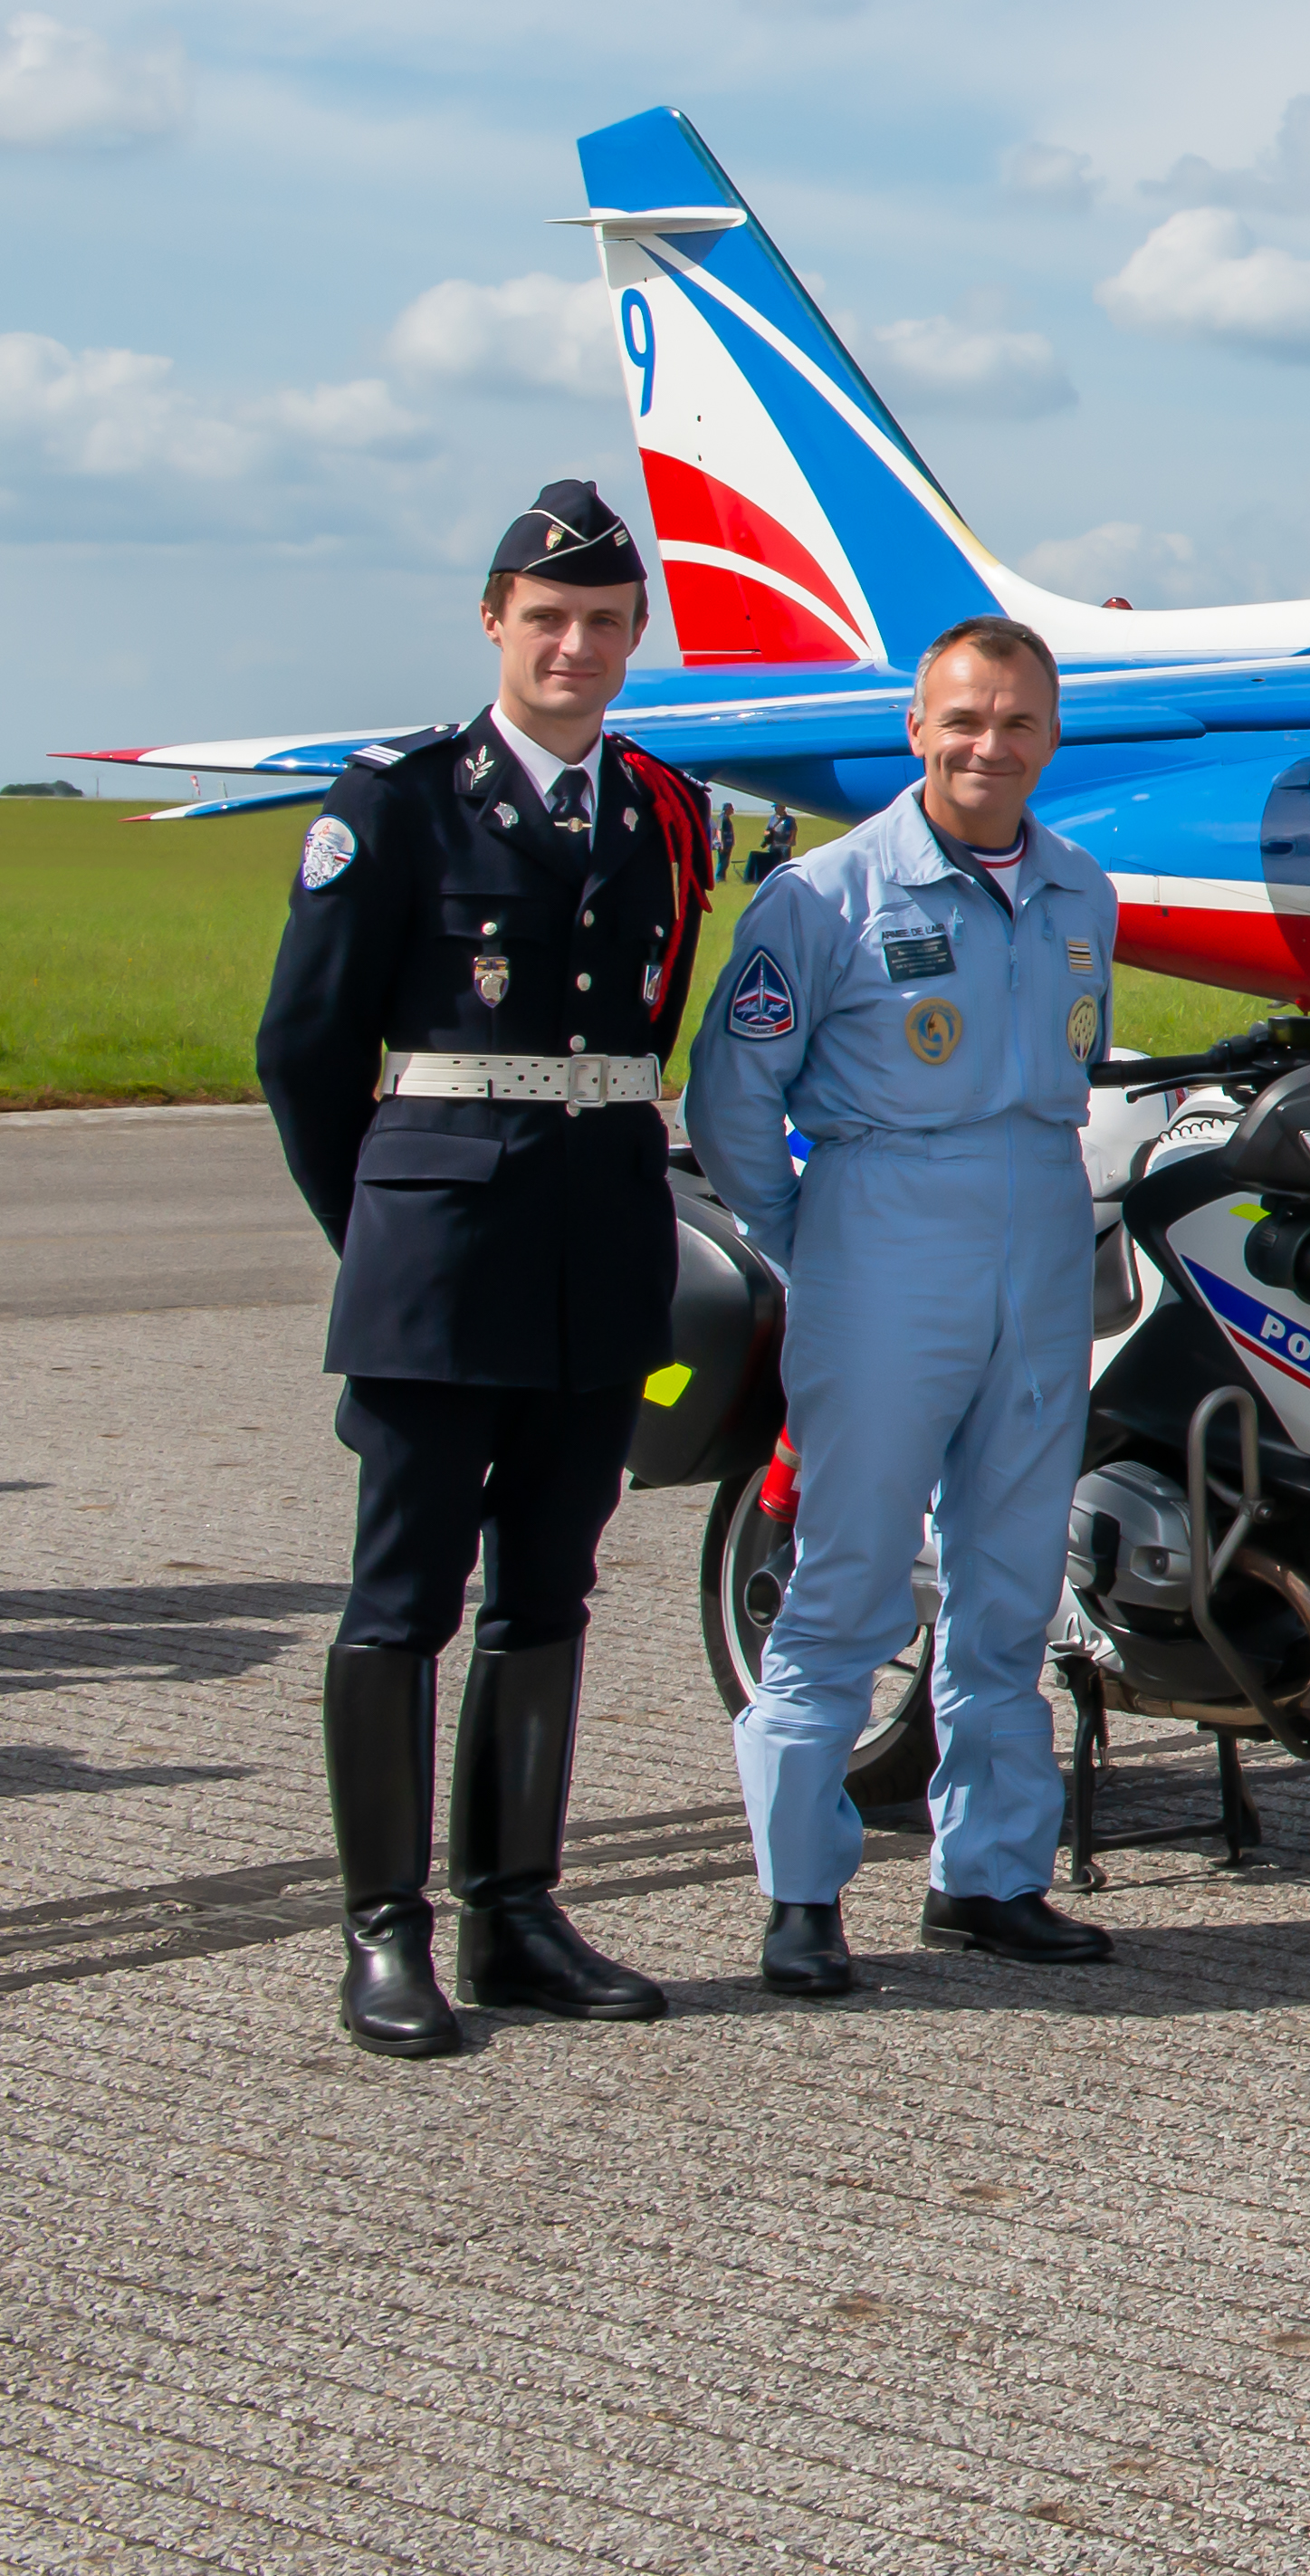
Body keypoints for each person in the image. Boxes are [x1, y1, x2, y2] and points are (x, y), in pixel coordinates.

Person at [256, 481, 709, 2058]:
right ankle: (388, 1927)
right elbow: (305, 1052)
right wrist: (382, 1228)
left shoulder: (664, 808)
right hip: (438, 1253)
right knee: (402, 1598)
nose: (574, 646)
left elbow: (642, 1028)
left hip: (599, 1244)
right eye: (547, 620)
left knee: (549, 1592)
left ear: (634, 635)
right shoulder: (392, 803)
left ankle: (516, 1909)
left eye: (601, 622)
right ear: (494, 625)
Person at [686, 616, 1124, 1995]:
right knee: (852, 1585)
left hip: (1039, 1227)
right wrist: (806, 1235)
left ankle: (989, 1874)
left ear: (1050, 737)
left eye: (1016, 724)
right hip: (882, 1228)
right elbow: (732, 1099)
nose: (988, 747)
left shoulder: (1079, 892)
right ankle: (802, 1892)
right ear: (913, 729)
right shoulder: (827, 895)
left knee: (1008, 1584)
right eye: (963, 720)